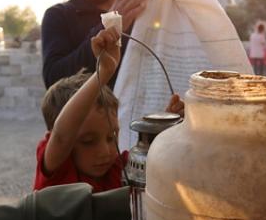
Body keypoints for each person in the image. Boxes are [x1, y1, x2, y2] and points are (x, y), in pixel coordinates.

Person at [35, 27, 181, 192]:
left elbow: (155, 157)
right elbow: (62, 136)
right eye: (88, 141)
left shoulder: (119, 166)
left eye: (112, 138)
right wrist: (104, 71)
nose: (105, 152)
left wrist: (170, 127)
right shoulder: (58, 170)